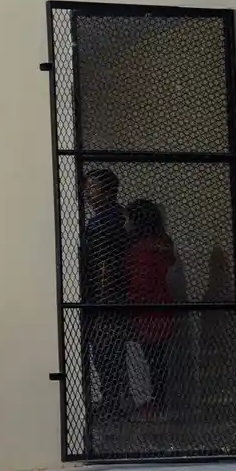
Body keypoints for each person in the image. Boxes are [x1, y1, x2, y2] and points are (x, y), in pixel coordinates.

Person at [82, 168, 131, 433]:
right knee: (109, 351)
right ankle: (113, 398)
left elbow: (106, 265)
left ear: (107, 190)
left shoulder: (105, 222)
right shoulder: (113, 217)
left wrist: (102, 304)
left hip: (106, 299)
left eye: (93, 187)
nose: (88, 192)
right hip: (107, 298)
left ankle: (113, 400)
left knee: (106, 350)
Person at [125, 198, 178, 419]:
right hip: (160, 305)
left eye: (128, 219)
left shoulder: (140, 249)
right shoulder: (162, 243)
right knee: (156, 358)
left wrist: (127, 299)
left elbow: (140, 281)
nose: (125, 224)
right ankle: (157, 401)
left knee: (147, 358)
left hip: (144, 309)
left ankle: (151, 403)